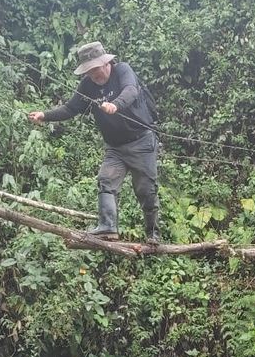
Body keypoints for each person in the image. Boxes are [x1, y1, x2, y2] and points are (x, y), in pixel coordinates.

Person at [28, 41, 161, 244]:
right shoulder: (87, 85)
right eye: (88, 71)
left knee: (145, 190)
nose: (93, 75)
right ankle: (108, 227)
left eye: (95, 69)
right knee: (106, 180)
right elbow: (71, 108)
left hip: (141, 142)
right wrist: (45, 116)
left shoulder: (122, 70)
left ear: (106, 63)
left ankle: (152, 234)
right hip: (115, 148)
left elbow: (131, 91)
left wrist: (115, 105)